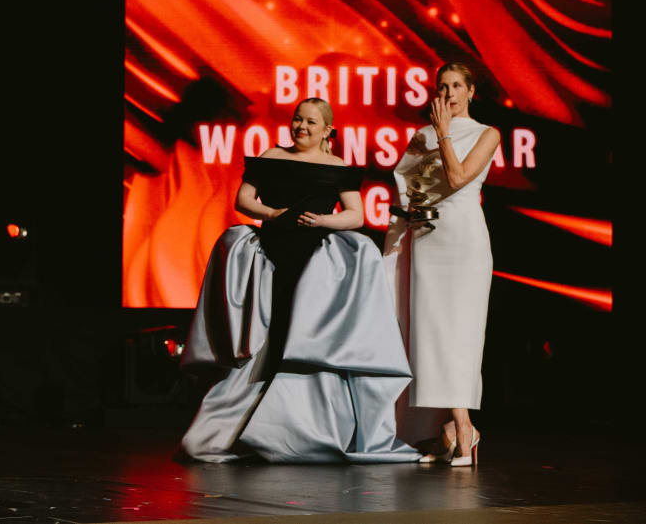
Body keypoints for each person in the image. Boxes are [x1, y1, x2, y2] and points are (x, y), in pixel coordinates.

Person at [179, 98, 420, 463]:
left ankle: (298, 428)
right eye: (297, 120)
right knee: (267, 337)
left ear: (327, 131)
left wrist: (324, 221)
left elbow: (354, 216)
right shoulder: (272, 155)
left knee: (305, 337)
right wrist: (272, 212)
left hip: (315, 264)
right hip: (271, 254)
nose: (301, 127)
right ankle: (244, 428)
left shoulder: (337, 166)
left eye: (310, 122)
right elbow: (244, 199)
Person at [383, 62, 500, 467]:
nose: (448, 93)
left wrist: (445, 132)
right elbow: (406, 188)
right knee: (428, 335)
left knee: (459, 335)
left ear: (471, 92)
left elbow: (457, 175)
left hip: (464, 242)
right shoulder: (422, 136)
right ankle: (447, 430)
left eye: (456, 86)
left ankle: (465, 427)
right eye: (441, 87)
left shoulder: (487, 133)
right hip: (427, 240)